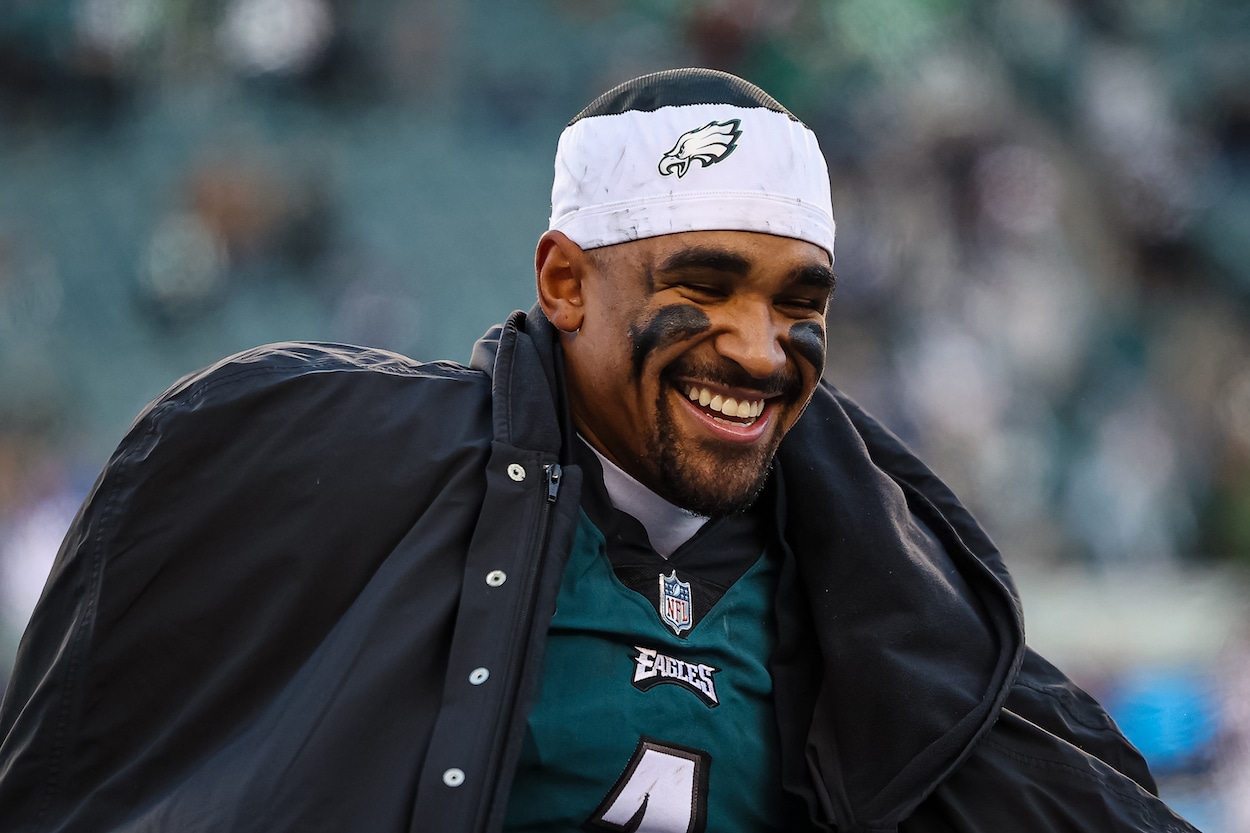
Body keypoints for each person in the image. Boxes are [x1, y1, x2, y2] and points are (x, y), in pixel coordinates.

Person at [0, 68, 1197, 833]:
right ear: (564, 281)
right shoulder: (351, 479)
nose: (761, 347)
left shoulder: (874, 584)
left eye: (800, 301)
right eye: (706, 286)